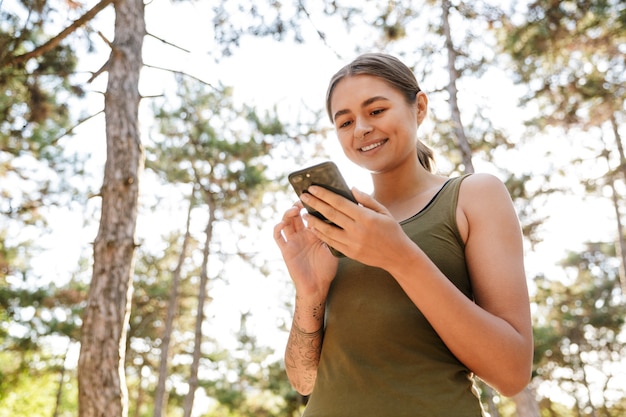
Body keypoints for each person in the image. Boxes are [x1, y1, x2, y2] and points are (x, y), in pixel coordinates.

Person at [273, 52, 533, 416]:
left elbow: (512, 373)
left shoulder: (474, 195)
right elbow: (303, 380)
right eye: (344, 122)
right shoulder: (342, 227)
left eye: (376, 111)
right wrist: (309, 293)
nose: (361, 128)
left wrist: (399, 255)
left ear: (419, 107)